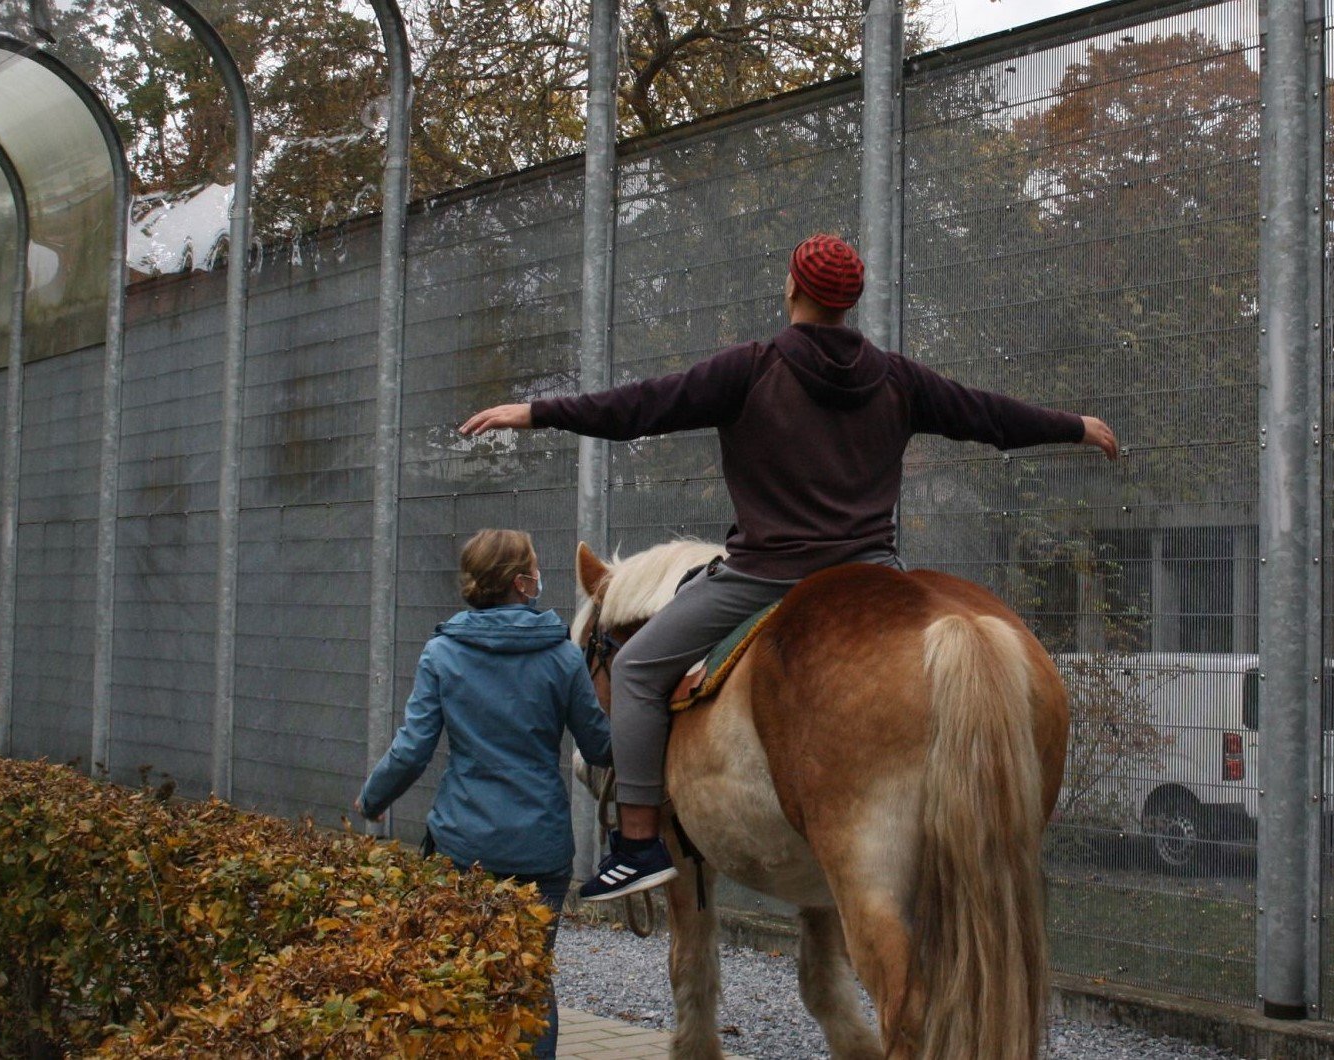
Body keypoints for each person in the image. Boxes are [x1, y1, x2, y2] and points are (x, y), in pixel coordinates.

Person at [459, 233, 1119, 904]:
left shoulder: (748, 369)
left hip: (763, 577)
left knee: (632, 668)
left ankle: (636, 843)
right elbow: (989, 416)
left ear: (792, 288)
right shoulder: (898, 378)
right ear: (851, 301)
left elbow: (636, 408)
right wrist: (1073, 426)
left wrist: (537, 412)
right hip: (872, 575)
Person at [355, 528, 611, 1060]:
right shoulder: (562, 656)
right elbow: (601, 747)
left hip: (461, 846)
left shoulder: (443, 653)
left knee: (460, 978)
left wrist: (372, 799)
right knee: (530, 982)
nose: (542, 576)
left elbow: (412, 750)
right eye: (536, 568)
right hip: (539, 850)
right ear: (522, 583)